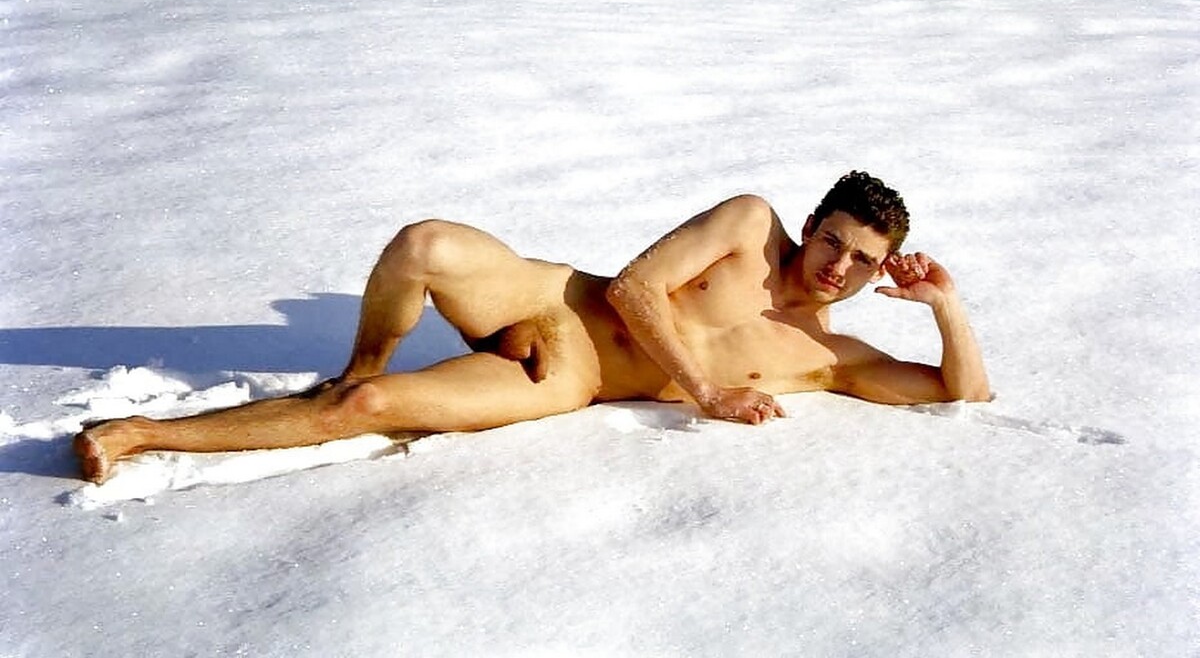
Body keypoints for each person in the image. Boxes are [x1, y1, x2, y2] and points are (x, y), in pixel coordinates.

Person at [74, 170, 990, 484]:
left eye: (862, 260)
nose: (838, 266)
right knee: (423, 244)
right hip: (557, 298)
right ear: (812, 223)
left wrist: (946, 306)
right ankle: (355, 360)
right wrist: (706, 391)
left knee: (368, 411)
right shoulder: (749, 224)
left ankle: (139, 434)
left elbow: (964, 394)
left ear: (881, 271)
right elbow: (634, 289)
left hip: (568, 378)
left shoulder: (830, 355)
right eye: (833, 240)